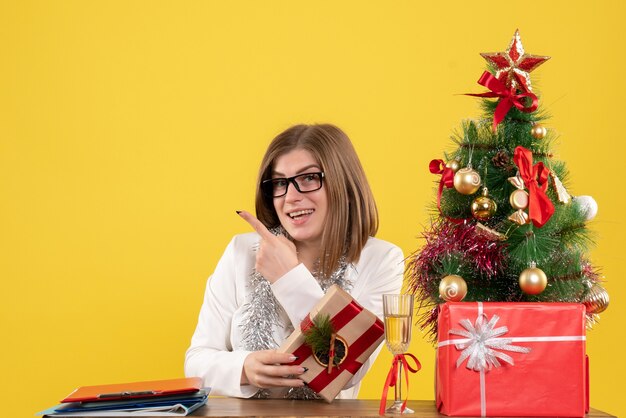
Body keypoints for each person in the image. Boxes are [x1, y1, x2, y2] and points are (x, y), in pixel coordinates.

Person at [184, 124, 404, 399]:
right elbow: (197, 361)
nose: (290, 197)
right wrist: (243, 368)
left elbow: (347, 369)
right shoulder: (241, 250)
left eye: (309, 178)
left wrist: (288, 278)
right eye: (279, 183)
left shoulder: (382, 259)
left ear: (344, 184)